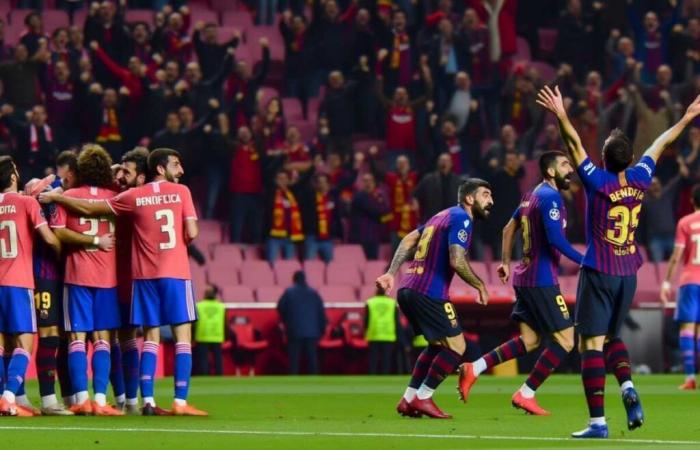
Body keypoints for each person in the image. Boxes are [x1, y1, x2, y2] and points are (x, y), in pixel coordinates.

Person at [537, 85, 700, 438]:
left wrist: (562, 114)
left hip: (599, 269)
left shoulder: (596, 180)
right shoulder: (642, 176)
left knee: (590, 345)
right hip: (629, 272)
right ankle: (627, 386)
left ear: (605, 158)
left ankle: (598, 423)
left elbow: (574, 143)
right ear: (629, 158)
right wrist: (687, 117)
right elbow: (662, 142)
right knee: (612, 336)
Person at [40, 148, 206, 416]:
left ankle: (137, 400)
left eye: (126, 171)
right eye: (176, 164)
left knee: (131, 338)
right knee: (155, 338)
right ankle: (158, 401)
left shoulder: (129, 198)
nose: (120, 175)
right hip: (145, 275)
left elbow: (81, 213)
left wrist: (58, 196)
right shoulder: (174, 192)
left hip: (134, 277)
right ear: (161, 169)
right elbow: (192, 232)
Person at [458, 151, 584, 415]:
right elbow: (556, 241)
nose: (570, 169)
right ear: (550, 171)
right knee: (567, 340)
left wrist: (505, 262)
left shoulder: (531, 196)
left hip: (524, 276)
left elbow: (508, 229)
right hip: (541, 280)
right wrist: (586, 260)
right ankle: (526, 393)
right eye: (564, 165)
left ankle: (476, 367)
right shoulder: (550, 198)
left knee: (529, 340)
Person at [376, 178, 493, 419]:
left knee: (437, 345)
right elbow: (457, 260)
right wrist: (479, 285)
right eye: (485, 195)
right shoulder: (462, 218)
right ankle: (424, 397)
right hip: (428, 291)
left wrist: (391, 272)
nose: (490, 201)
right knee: (458, 346)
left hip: (408, 288)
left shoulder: (441, 215)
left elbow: (408, 239)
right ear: (469, 199)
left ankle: (408, 399)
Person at [49, 144, 122, 416]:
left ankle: (81, 399)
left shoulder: (68, 195)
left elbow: (59, 234)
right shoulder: (116, 196)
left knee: (77, 338)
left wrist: (88, 240)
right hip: (108, 276)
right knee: (103, 338)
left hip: (76, 275)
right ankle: (101, 401)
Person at [0, 156, 62, 416]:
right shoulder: (26, 202)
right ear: (13, 177)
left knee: (3, 343)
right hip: (18, 281)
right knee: (25, 343)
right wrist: (64, 253)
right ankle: (8, 397)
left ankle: (8, 397)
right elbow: (49, 238)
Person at [661, 184, 700, 390]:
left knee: (687, 329)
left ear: (692, 201)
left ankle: (690, 378)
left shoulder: (685, 222)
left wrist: (667, 282)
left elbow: (676, 257)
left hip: (690, 281)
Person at [277, 271, 327, 375]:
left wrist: (286, 321)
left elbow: (280, 308)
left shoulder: (289, 292)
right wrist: (322, 330)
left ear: (294, 280)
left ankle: (293, 385)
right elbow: (321, 312)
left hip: (294, 331)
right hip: (312, 332)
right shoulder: (314, 293)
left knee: (294, 361)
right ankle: (314, 385)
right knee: (312, 360)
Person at [365, 286, 399, 375]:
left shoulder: (370, 302)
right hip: (389, 335)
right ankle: (385, 376)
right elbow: (396, 321)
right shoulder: (392, 303)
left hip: (374, 334)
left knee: (373, 359)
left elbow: (366, 320)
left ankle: (372, 376)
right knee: (386, 359)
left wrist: (365, 332)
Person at [194, 284, 225, 376]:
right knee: (218, 358)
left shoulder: (199, 305)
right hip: (217, 336)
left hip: (202, 335)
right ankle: (219, 376)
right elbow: (225, 323)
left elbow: (194, 323)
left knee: (203, 359)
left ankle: (204, 376)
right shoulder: (221, 306)